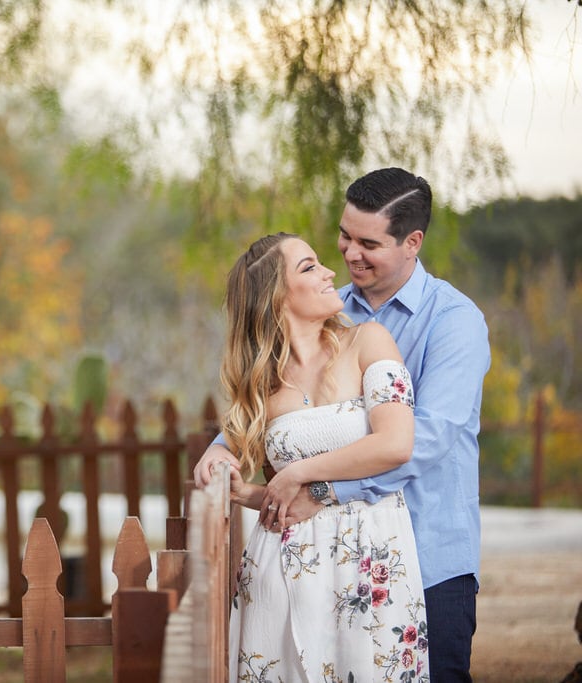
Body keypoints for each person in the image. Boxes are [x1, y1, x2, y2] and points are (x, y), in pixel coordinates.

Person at [196, 168, 490, 682]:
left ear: (411, 242)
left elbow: (427, 439)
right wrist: (221, 448)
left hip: (425, 551)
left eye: (368, 243)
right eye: (344, 236)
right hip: (313, 565)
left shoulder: (452, 321)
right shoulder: (330, 311)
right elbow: (278, 405)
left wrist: (324, 488)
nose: (348, 255)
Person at [214, 231, 428, 681]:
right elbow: (278, 496)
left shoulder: (368, 342)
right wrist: (244, 490)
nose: (332, 271)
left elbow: (395, 443)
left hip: (372, 564)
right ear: (276, 295)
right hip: (282, 568)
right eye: (309, 267)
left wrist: (300, 473)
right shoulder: (261, 388)